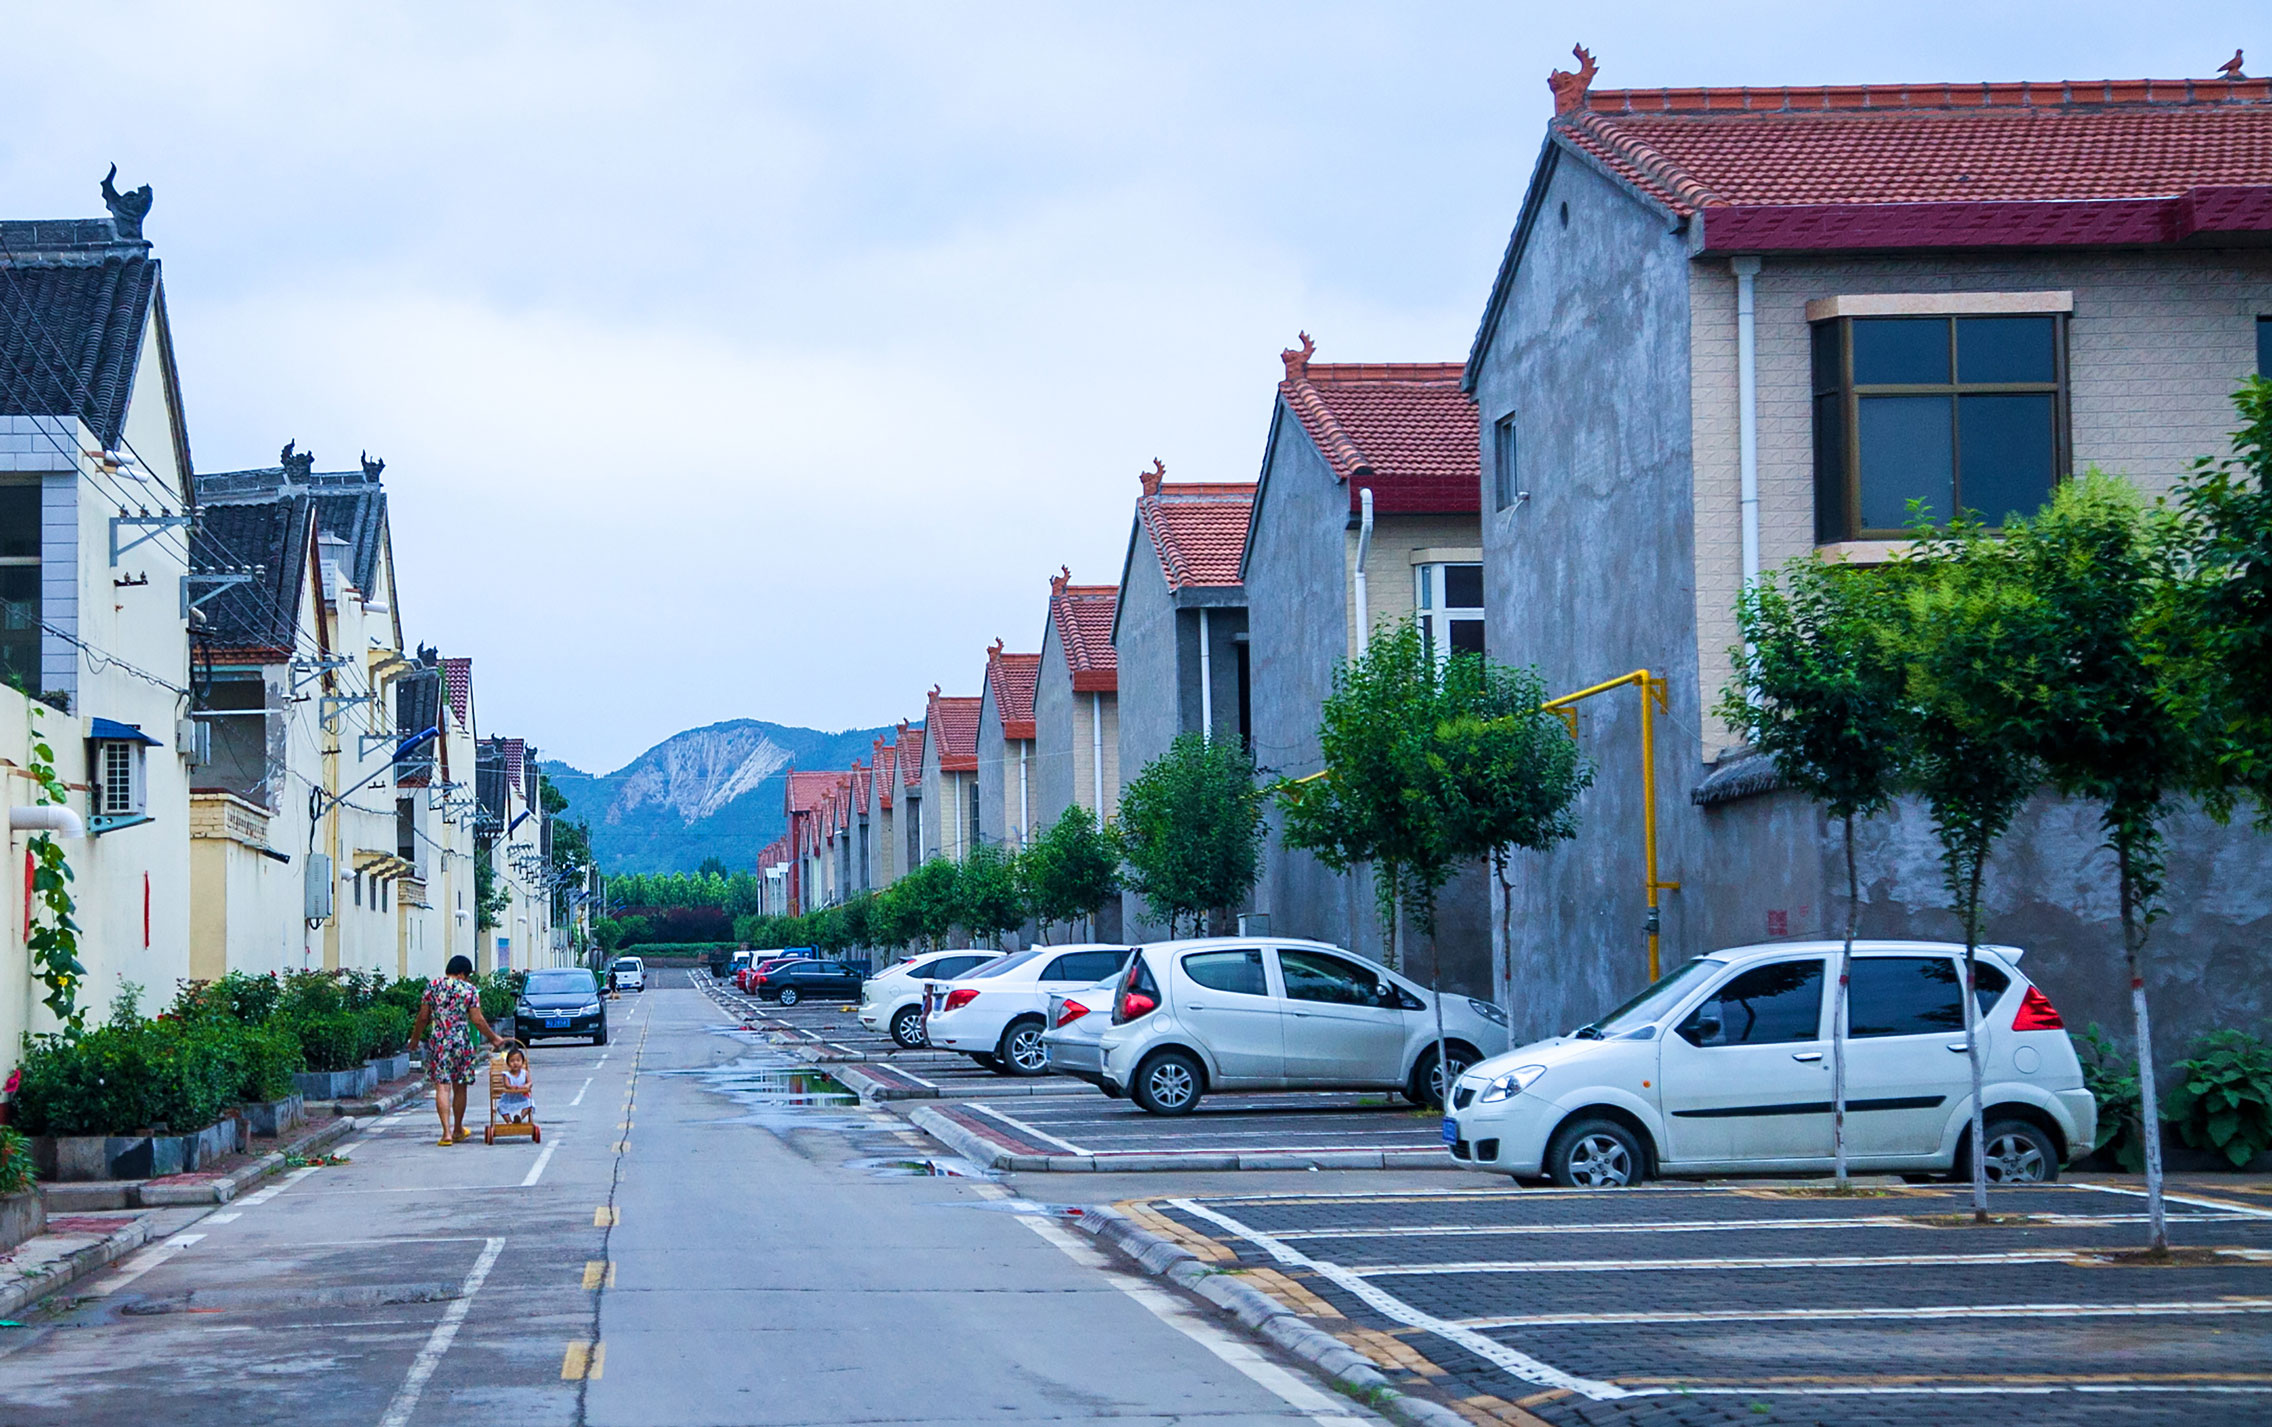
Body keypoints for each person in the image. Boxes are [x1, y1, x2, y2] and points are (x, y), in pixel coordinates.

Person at [409, 954, 506, 1145]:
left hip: (439, 1042)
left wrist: (415, 1039)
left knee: (442, 1087)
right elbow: (477, 1019)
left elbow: (422, 1018)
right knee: (459, 1086)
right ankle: (458, 1129)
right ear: (462, 974)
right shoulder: (469, 990)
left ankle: (445, 1133)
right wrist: (494, 1038)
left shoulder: (432, 987)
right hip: (461, 1041)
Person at [497, 1047, 534, 1124]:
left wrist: (527, 1085)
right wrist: (511, 1087)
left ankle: (520, 1117)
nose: (515, 1063)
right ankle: (509, 1121)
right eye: (512, 1061)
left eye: (518, 1060)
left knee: (529, 1104)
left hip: (521, 1097)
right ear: (508, 1063)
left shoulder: (525, 1073)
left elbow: (530, 1082)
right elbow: (507, 1085)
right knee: (501, 1107)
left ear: (522, 1062)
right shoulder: (506, 1075)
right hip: (509, 1098)